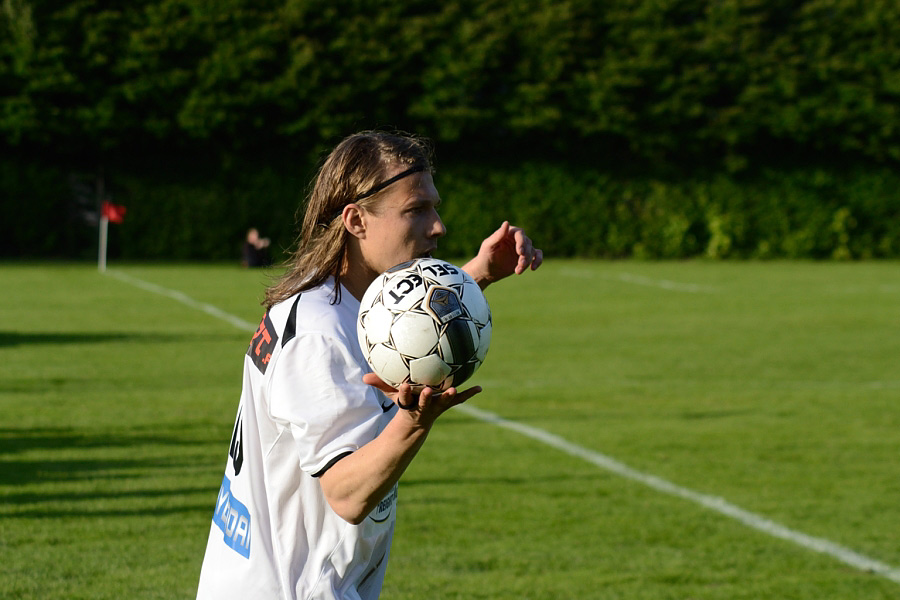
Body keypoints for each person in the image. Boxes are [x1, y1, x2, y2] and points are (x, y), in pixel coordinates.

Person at [196, 131, 543, 600]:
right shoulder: (321, 332)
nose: (438, 225)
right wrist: (414, 421)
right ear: (356, 220)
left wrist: (476, 274)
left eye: (435, 208)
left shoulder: (346, 307)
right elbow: (347, 494)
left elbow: (405, 324)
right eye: (416, 210)